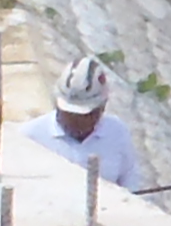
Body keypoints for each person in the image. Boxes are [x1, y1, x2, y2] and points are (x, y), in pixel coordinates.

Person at [27, 52, 146, 191]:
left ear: (102, 107)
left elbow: (131, 183)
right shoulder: (31, 137)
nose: (76, 121)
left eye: (85, 115)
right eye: (69, 114)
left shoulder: (117, 132)